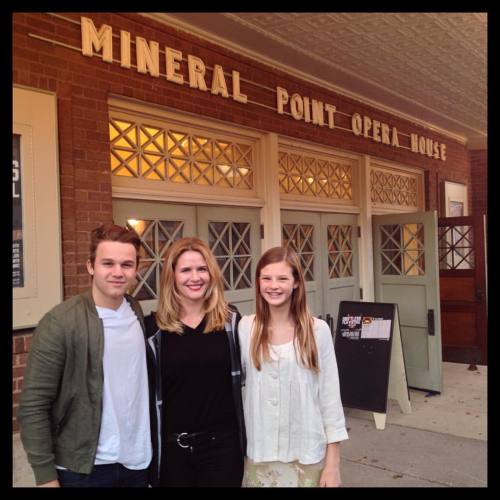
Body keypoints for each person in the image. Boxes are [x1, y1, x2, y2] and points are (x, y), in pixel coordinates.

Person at [17, 224, 152, 487]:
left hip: (136, 461)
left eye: (127, 264)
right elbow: (33, 405)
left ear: (136, 269)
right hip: (84, 468)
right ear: (91, 266)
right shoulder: (61, 322)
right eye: (108, 263)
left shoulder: (135, 311)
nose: (117, 272)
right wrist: (45, 477)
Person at [238, 246, 348, 487]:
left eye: (282, 278)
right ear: (258, 282)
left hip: (307, 453)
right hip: (260, 454)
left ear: (296, 282)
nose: (273, 285)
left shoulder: (317, 331)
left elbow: (330, 399)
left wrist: (333, 465)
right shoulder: (246, 329)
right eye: (266, 278)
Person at [145, 237, 246, 487]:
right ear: (172, 277)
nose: (195, 277)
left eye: (202, 269)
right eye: (186, 270)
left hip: (223, 450)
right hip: (173, 452)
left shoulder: (231, 323)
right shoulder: (152, 329)